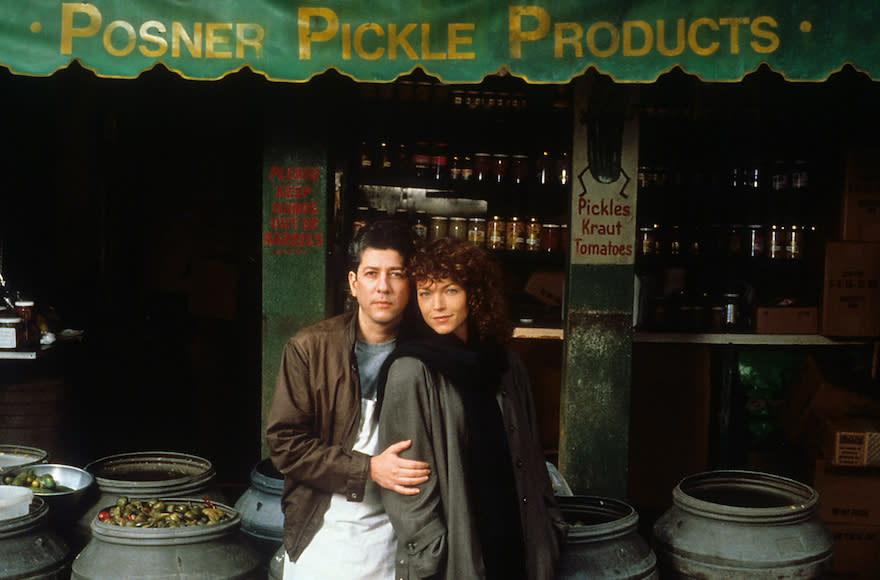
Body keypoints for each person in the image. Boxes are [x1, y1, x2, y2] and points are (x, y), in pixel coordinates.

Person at [377, 237, 568, 580]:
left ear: (474, 294)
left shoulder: (505, 363)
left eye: (450, 290)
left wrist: (550, 521)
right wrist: (430, 551)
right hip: (459, 552)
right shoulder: (411, 370)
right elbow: (409, 487)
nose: (437, 305)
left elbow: (532, 453)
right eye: (425, 292)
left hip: (520, 536)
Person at [266, 217, 432, 579]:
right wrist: (369, 469)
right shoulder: (310, 348)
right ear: (354, 284)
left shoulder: (430, 353)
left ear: (411, 283)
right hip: (323, 532)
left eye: (397, 274)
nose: (383, 287)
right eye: (371, 274)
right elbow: (284, 444)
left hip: (398, 537)